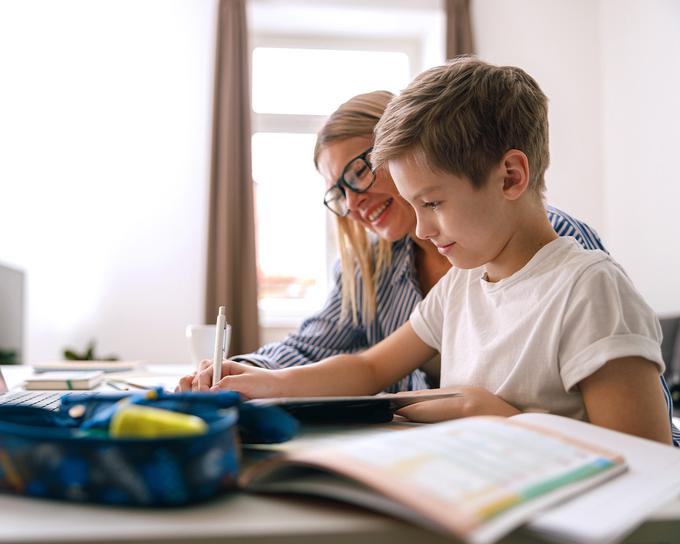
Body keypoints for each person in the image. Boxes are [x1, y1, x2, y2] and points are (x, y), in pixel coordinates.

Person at [181, 58, 677, 445]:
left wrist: (499, 417)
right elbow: (370, 368)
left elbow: (645, 461)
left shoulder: (590, 289)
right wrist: (265, 384)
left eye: (433, 202)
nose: (420, 226)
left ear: (511, 176)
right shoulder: (465, 282)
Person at [185, 91, 611, 394]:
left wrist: (483, 413)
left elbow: (630, 417)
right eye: (338, 192)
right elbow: (348, 360)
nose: (353, 204)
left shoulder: (559, 252)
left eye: (359, 173)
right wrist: (251, 373)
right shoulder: (389, 272)